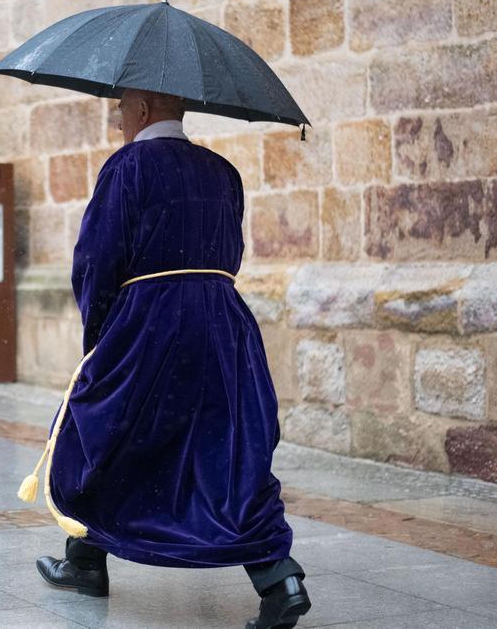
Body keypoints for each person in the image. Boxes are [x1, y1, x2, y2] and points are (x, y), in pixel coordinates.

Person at [23, 89, 310, 629]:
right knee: (225, 453)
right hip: (225, 327)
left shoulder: (127, 168)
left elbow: (96, 260)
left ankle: (85, 562)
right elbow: (233, 253)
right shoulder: (223, 172)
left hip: (149, 322)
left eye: (122, 107)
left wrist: (101, 337)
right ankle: (280, 578)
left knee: (99, 435)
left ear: (145, 109)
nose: (117, 118)